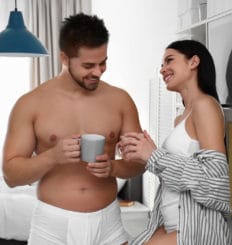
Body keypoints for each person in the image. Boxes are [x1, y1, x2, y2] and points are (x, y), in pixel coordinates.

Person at [2, 13, 144, 245]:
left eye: (103, 62)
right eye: (88, 65)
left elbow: (140, 162)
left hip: (108, 224)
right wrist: (53, 157)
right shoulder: (31, 104)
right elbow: (11, 175)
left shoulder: (120, 100)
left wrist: (114, 166)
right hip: (52, 226)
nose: (98, 72)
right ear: (64, 58)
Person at [119, 40, 232, 245]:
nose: (162, 69)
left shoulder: (205, 106)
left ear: (193, 62)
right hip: (171, 225)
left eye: (169, 60)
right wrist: (142, 152)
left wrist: (154, 155)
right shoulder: (181, 118)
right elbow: (179, 172)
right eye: (161, 65)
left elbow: (216, 180)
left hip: (194, 229)